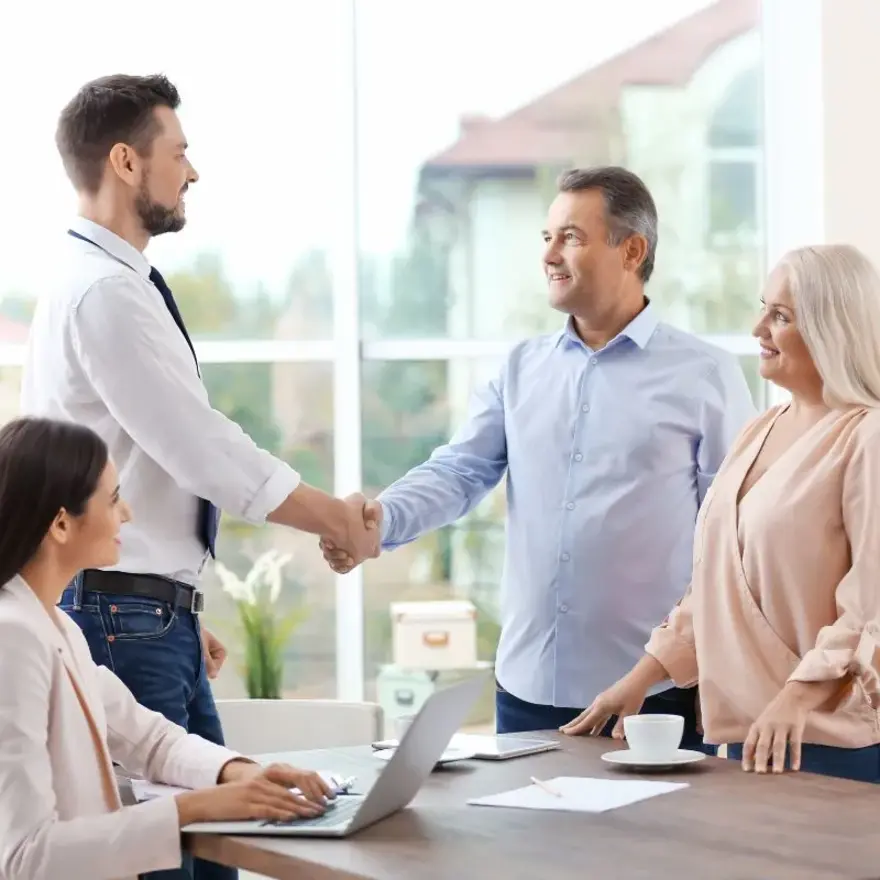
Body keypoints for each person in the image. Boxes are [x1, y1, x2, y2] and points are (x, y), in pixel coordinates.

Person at [20, 74, 377, 880]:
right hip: (122, 614)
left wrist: (174, 597)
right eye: (178, 152)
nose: (193, 170)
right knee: (175, 862)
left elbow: (147, 461)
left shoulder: (98, 282)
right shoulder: (106, 293)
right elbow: (197, 447)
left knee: (218, 848)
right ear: (124, 161)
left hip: (139, 611)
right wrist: (332, 517)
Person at [321, 166, 755, 746]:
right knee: (525, 838)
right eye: (546, 237)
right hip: (526, 691)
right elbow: (460, 470)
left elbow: (731, 539)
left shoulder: (705, 375)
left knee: (653, 840)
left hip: (653, 697)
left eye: (571, 237)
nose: (550, 254)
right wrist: (380, 520)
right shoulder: (520, 367)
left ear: (631, 250)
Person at [561, 243, 880, 783]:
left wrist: (797, 699)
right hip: (741, 740)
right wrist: (641, 676)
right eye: (763, 307)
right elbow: (716, 584)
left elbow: (871, 603)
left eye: (779, 316)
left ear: (832, 329)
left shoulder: (866, 437)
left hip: (826, 745)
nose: (758, 327)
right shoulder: (760, 430)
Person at [0, 417, 335, 880]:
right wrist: (194, 809)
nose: (128, 514)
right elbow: (23, 859)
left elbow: (150, 739)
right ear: (60, 523)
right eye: (113, 498)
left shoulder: (54, 626)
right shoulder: (12, 638)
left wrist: (240, 773)